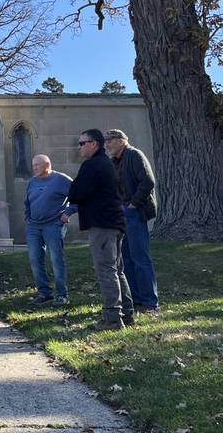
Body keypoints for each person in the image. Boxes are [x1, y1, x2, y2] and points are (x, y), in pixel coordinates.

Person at [65, 129, 134, 331]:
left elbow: (76, 192)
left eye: (82, 143)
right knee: (117, 269)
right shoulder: (104, 163)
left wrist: (74, 188)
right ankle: (127, 314)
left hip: (103, 224)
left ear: (94, 143)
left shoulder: (93, 165)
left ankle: (113, 317)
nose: (79, 148)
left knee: (106, 269)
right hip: (114, 222)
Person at [104, 129, 160, 315]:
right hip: (121, 215)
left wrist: (134, 204)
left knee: (140, 257)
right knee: (126, 259)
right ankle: (136, 300)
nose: (107, 145)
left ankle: (150, 303)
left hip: (134, 213)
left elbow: (148, 181)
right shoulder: (114, 162)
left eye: (110, 141)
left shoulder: (134, 155)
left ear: (121, 141)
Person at [24, 154, 76, 307]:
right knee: (35, 259)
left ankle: (62, 295)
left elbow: (79, 197)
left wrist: (68, 212)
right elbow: (27, 202)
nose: (34, 168)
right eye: (33, 165)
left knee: (56, 259)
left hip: (53, 225)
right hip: (34, 226)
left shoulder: (61, 179)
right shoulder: (32, 182)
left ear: (47, 165)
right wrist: (27, 217)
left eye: (37, 165)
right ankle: (44, 293)